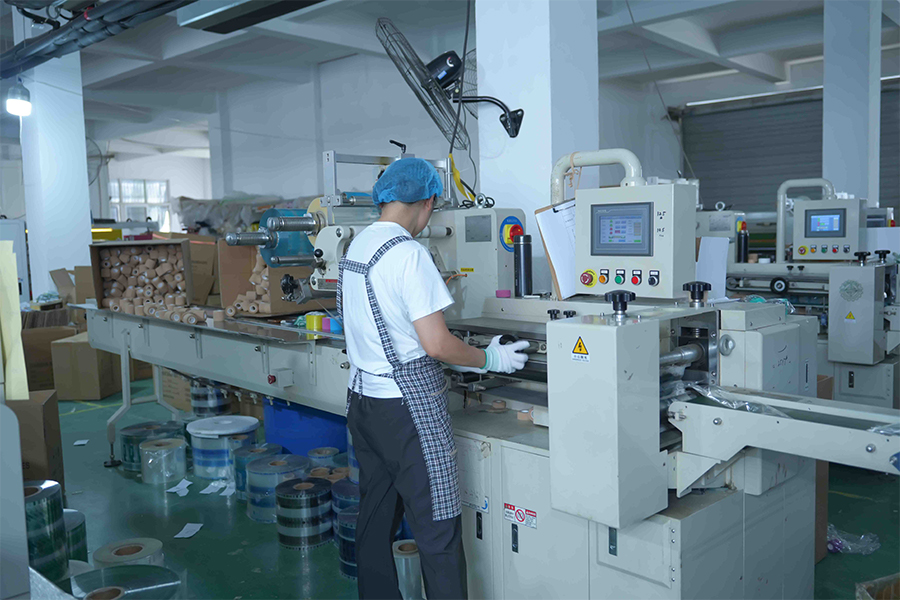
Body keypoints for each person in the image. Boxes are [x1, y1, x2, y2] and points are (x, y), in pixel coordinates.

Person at [338, 158, 530, 599]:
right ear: (427, 203)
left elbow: (390, 331)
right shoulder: (408, 254)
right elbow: (438, 345)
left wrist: (460, 355)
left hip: (363, 403)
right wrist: (490, 358)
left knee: (375, 519)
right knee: (437, 529)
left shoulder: (356, 246)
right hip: (406, 412)